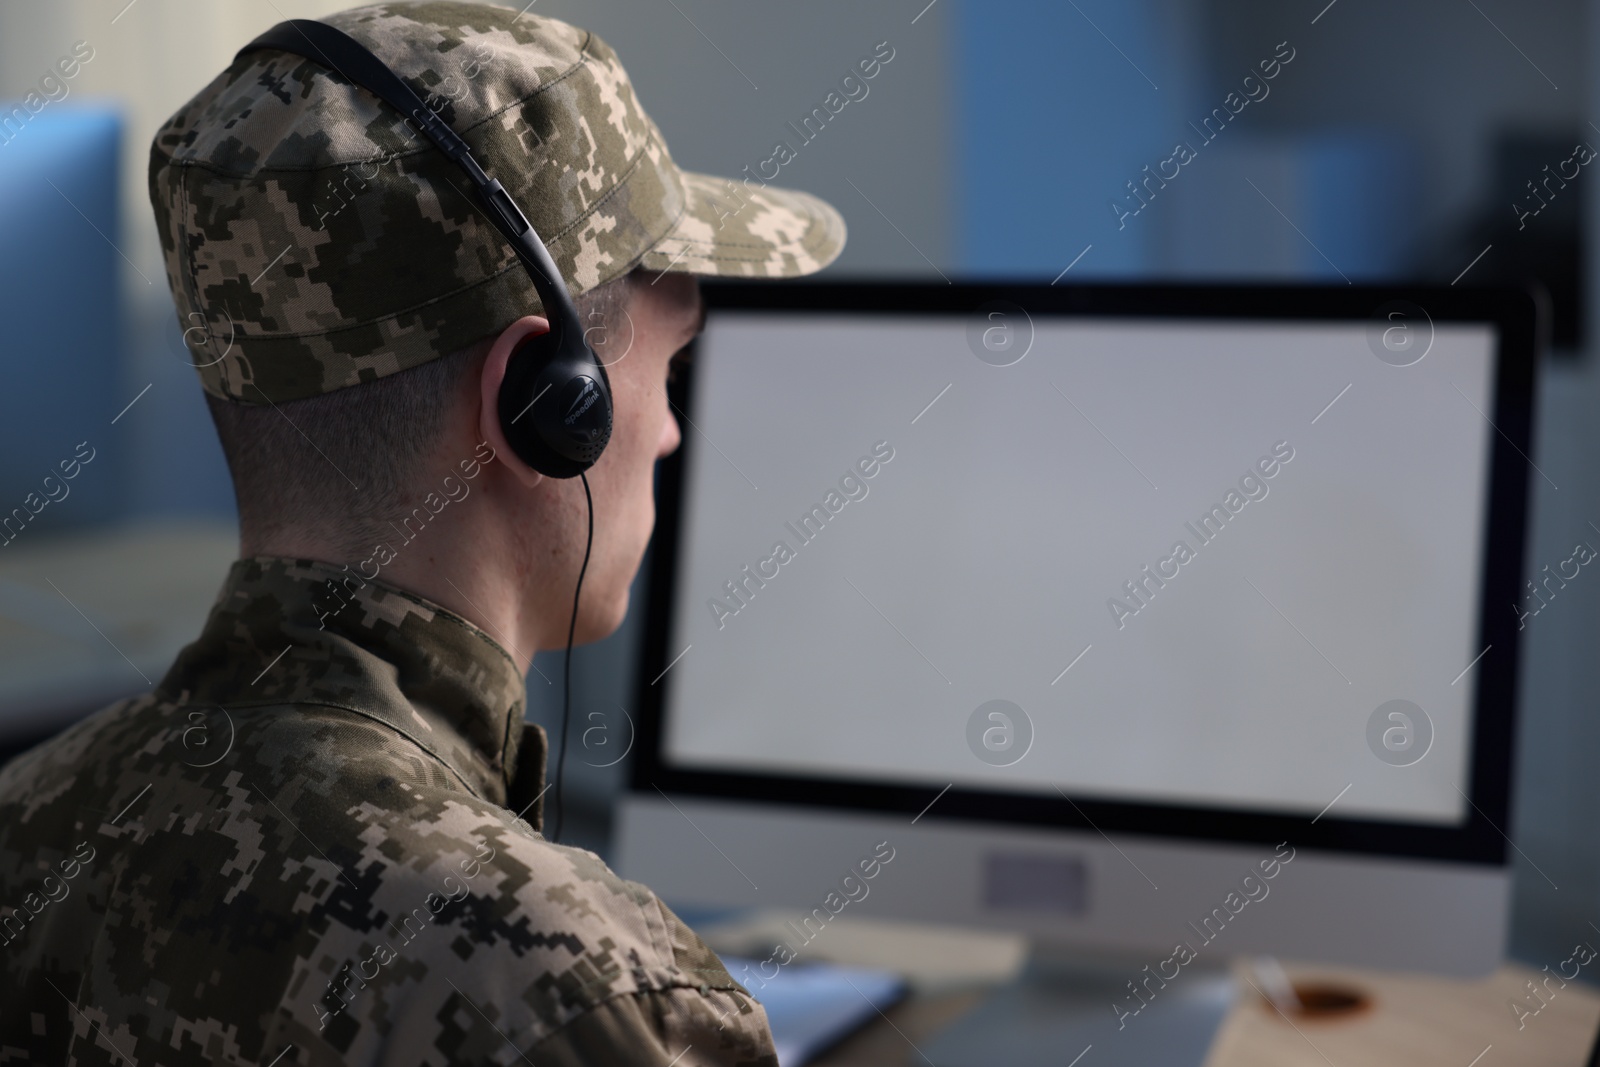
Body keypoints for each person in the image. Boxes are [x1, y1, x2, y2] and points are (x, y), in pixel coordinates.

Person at [0, 3, 845, 1064]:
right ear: (545, 404)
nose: (673, 429)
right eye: (667, 370)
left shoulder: (27, 826)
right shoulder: (571, 984)